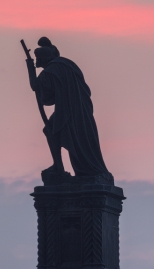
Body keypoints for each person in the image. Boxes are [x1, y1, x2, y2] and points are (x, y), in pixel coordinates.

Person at [25, 37, 113, 183]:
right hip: (78, 109)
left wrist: (29, 66)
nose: (36, 61)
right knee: (52, 131)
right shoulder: (66, 65)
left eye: (37, 58)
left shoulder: (52, 70)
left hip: (68, 111)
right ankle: (58, 167)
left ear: (43, 58)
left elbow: (36, 86)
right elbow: (49, 94)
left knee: (50, 131)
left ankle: (58, 167)